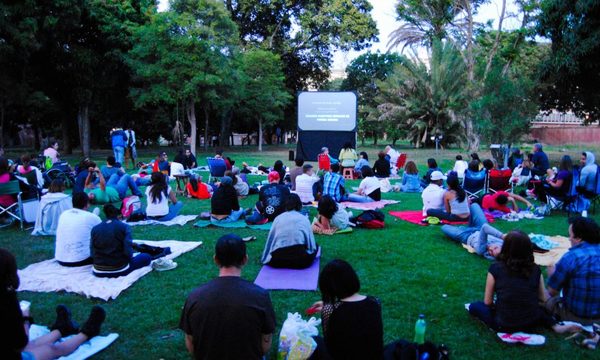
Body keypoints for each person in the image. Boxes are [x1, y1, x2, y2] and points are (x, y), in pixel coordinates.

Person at [179, 234, 276, 360]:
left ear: (216, 260)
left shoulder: (195, 297)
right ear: (245, 259)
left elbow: (190, 343)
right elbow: (265, 344)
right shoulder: (260, 296)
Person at [1, 248, 107, 360]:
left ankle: (62, 329)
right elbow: (20, 344)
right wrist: (25, 318)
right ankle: (87, 333)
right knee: (52, 349)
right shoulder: (5, 301)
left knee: (31, 345)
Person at [468, 232, 572, 333]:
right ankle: (554, 325)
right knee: (537, 310)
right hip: (532, 322)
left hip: (503, 324)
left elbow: (488, 302)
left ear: (505, 248)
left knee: (475, 306)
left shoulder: (495, 268)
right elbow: (543, 298)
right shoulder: (535, 269)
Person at [309, 259, 383, 360]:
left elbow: (330, 345)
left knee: (314, 340)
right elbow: (357, 315)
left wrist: (328, 308)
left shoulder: (330, 310)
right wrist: (330, 307)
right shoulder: (375, 302)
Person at [546, 217, 600, 324]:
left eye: (570, 235)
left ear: (578, 238)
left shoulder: (571, 257)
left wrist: (551, 272)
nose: (569, 239)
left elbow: (552, 292)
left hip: (576, 314)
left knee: (544, 298)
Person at [91, 204, 153, 277]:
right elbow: (128, 253)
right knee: (146, 257)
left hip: (98, 270)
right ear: (118, 216)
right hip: (119, 268)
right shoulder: (123, 227)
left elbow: (92, 252)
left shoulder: (95, 229)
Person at [261, 194, 318, 269]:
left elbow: (271, 241)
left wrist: (266, 256)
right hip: (300, 261)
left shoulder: (278, 219)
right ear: (299, 205)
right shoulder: (304, 219)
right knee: (316, 246)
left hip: (277, 261)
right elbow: (310, 244)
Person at [441, 203, 506, 260]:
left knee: (444, 227)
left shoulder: (481, 250)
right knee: (474, 205)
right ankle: (468, 226)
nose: (490, 248)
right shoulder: (502, 242)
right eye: (495, 247)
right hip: (480, 228)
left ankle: (464, 228)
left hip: (467, 236)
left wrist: (502, 236)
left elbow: (485, 228)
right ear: (501, 246)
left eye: (490, 252)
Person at [55, 192, 101, 267]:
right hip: (82, 260)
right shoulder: (92, 217)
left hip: (60, 258)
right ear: (87, 204)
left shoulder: (63, 214)